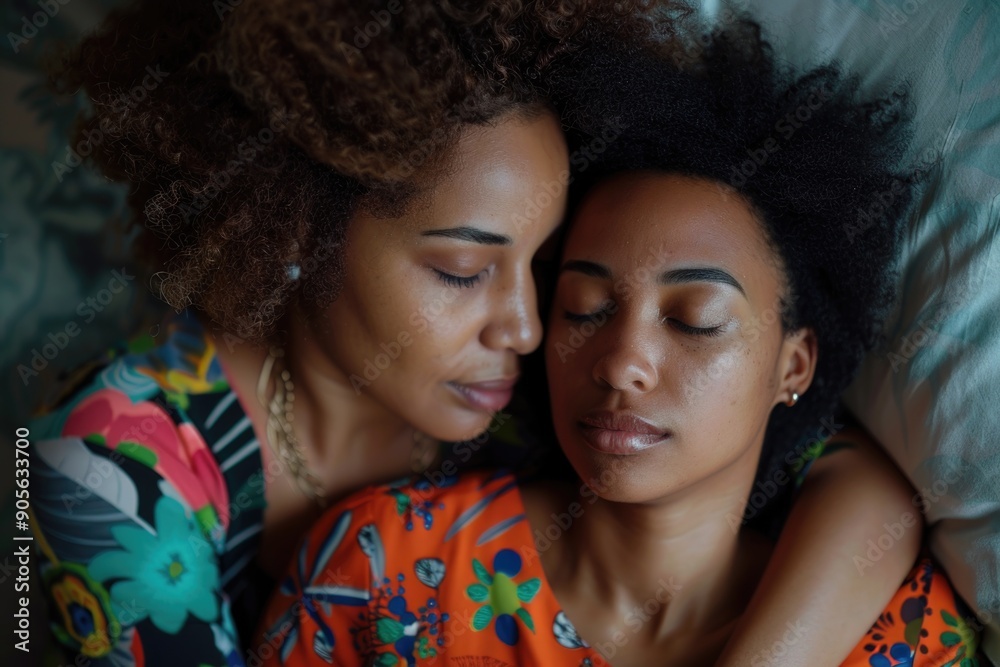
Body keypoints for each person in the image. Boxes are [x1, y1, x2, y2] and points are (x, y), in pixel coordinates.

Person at [32, 2, 927, 665]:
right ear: (302, 229)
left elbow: (854, 480)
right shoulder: (110, 473)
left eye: (548, 274)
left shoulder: (543, 387)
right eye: (463, 270)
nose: (532, 328)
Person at [256, 18, 981, 667]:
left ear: (793, 363)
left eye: (695, 318)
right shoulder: (381, 570)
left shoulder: (901, 636)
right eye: (584, 307)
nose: (622, 362)